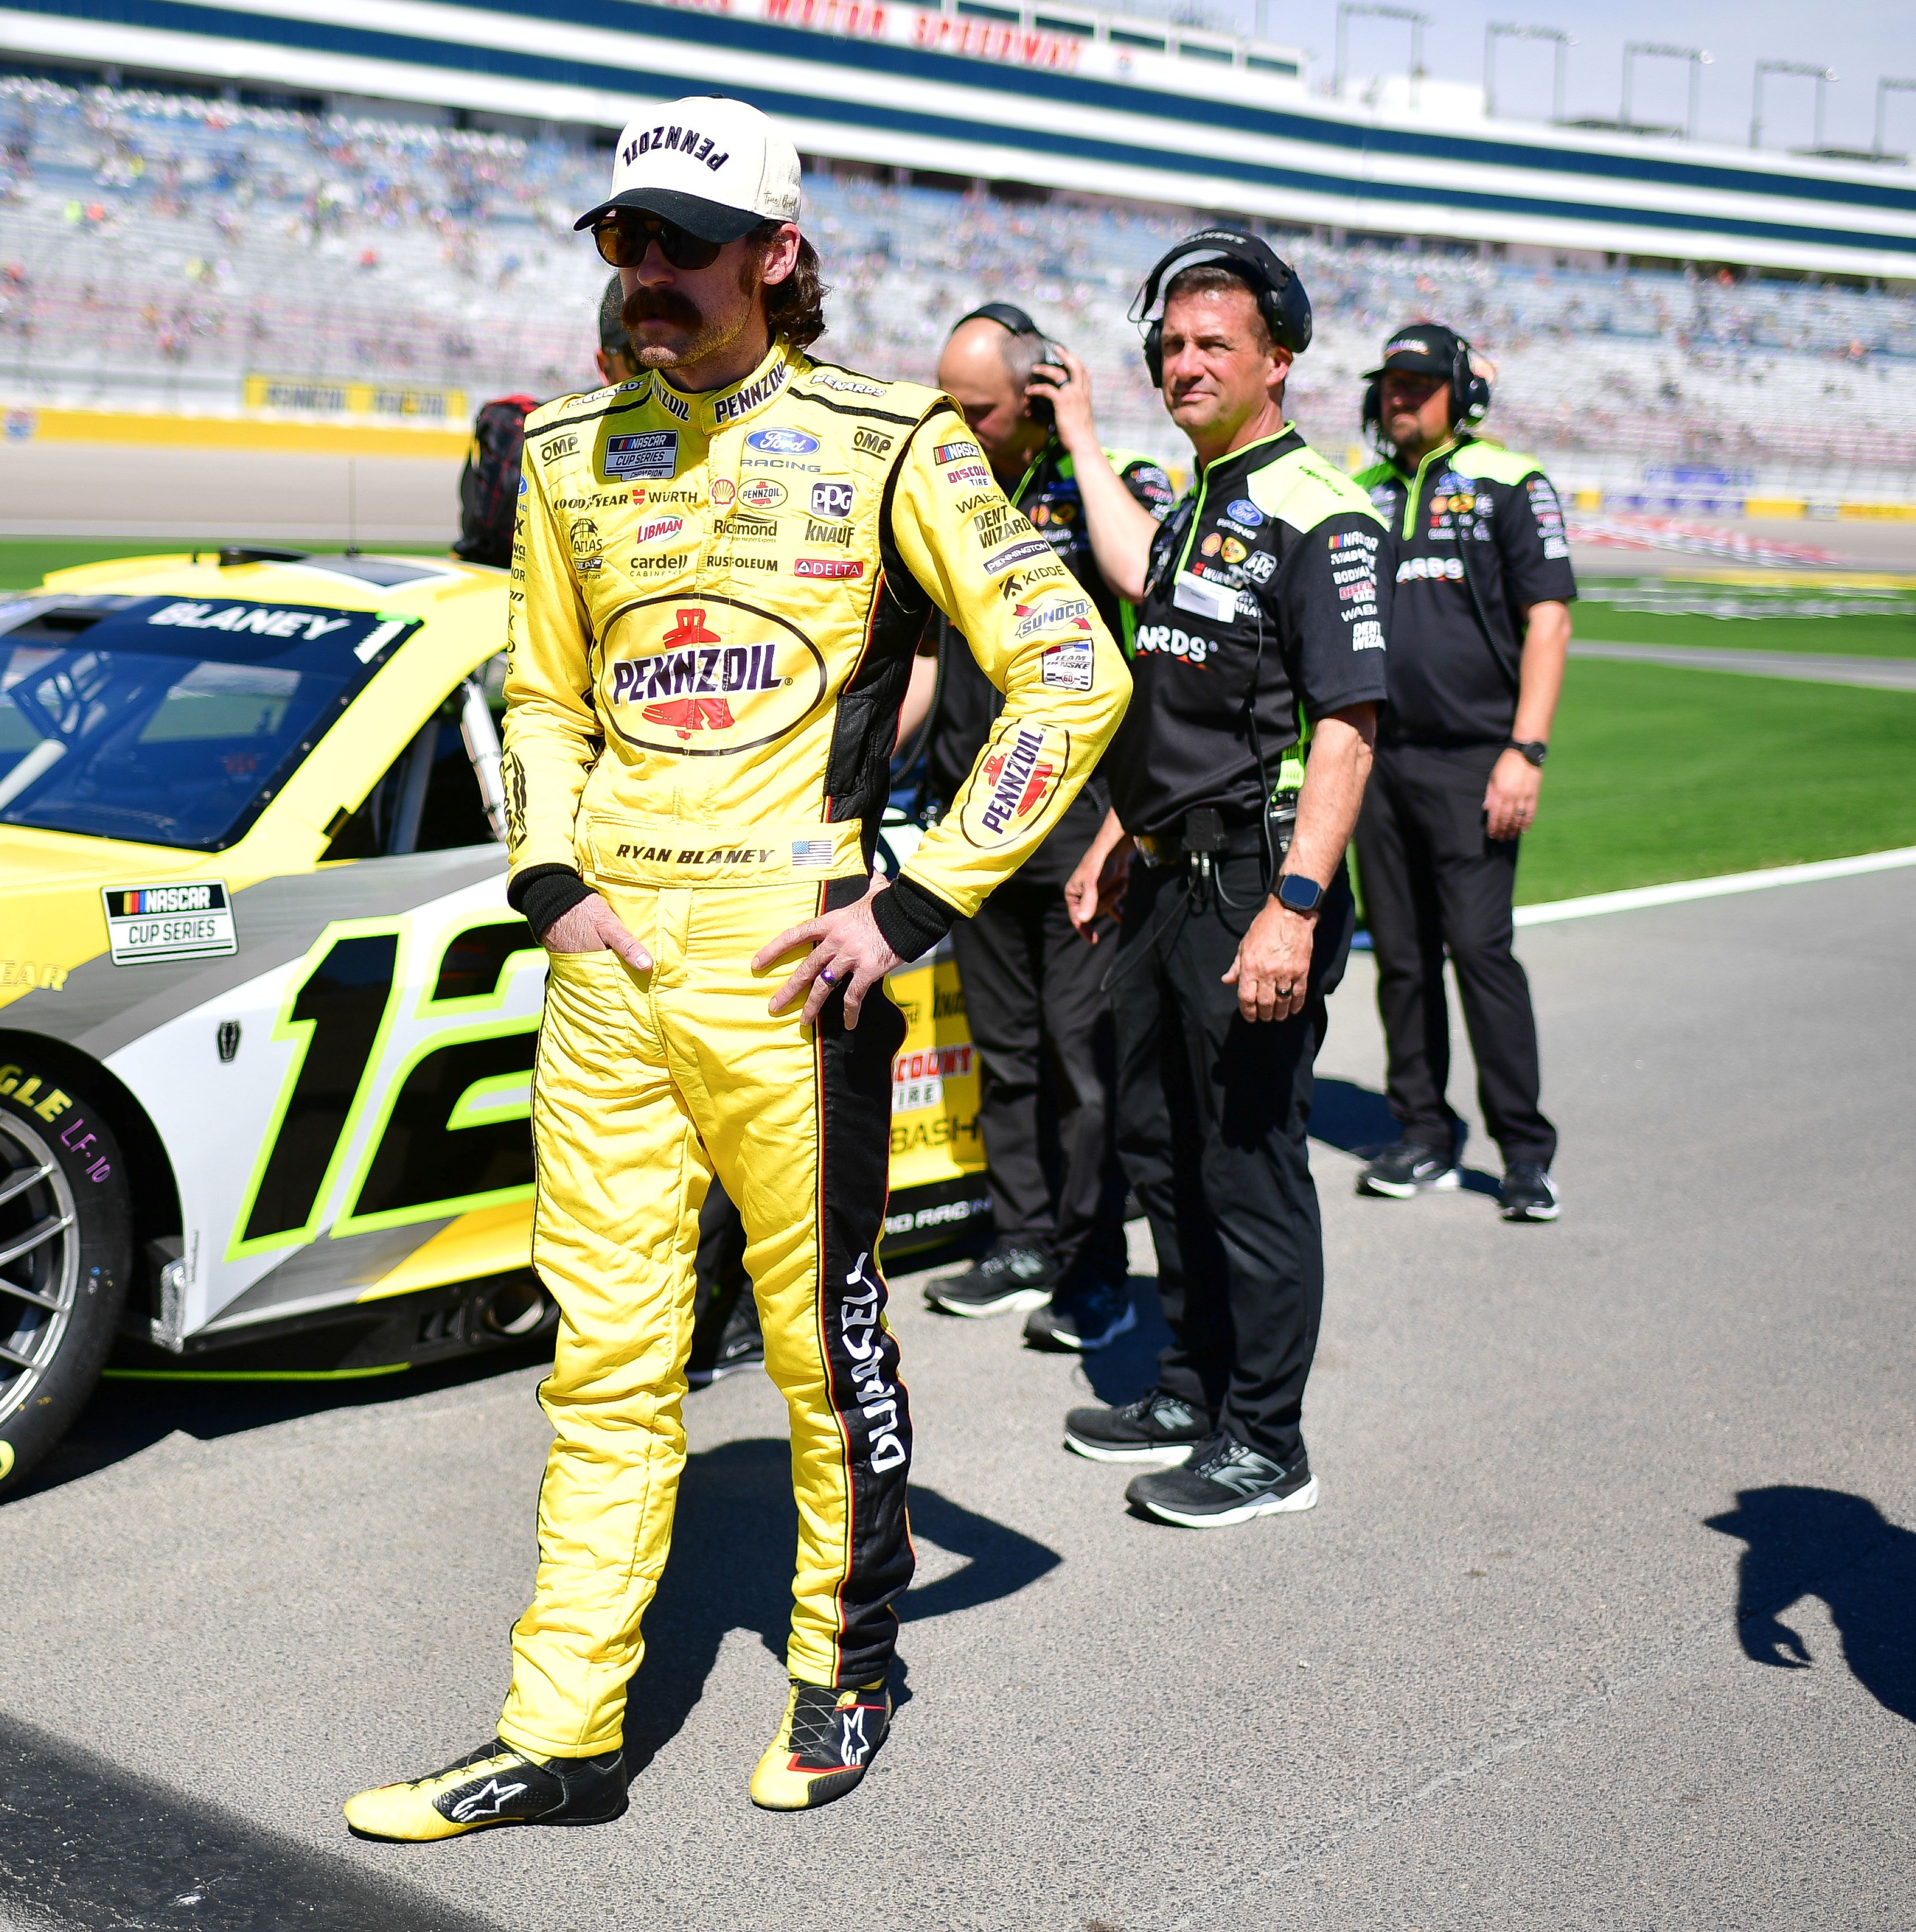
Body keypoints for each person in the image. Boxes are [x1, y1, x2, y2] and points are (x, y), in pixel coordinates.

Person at [343, 95, 1129, 1839]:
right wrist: (551, 882)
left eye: (682, 247)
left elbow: (1075, 676)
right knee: (602, 1362)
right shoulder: (561, 455)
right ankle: (561, 1735)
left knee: (819, 1353)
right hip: (612, 967)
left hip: (801, 967)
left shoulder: (897, 440)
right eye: (623, 243)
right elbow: (540, 693)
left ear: (777, 257)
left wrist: (916, 902)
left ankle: (844, 1669)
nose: (646, 278)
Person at [1055, 229, 1383, 1528]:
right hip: (1163, 875)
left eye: (1213, 346)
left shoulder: (1322, 511)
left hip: (1258, 879)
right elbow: (1178, 702)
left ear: (1278, 362)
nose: (1184, 365)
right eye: (1171, 346)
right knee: (1161, 1143)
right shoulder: (1197, 498)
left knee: (1248, 1161)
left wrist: (1294, 907)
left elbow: (1348, 729)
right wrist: (1113, 838)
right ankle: (1190, 1384)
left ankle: (1268, 1440)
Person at [916, 302, 1176, 1350]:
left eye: (975, 409)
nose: (957, 425)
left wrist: (1080, 437)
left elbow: (1145, 578)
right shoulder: (949, 488)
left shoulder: (1114, 480)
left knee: (1086, 1061)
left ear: (1034, 395)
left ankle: (1094, 1265)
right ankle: (1022, 1240)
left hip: (1079, 821)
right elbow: (930, 659)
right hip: (975, 819)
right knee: (1006, 1051)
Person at [1347, 322, 1573, 1222]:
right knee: (1400, 961)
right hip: (1375, 763)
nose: (1399, 398)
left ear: (1460, 395)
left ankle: (1524, 1152)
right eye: (1389, 385)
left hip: (1477, 763)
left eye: (1417, 384)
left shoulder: (1512, 483)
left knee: (1480, 955)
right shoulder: (1358, 493)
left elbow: (1548, 624)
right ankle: (1424, 1136)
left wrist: (1526, 752)